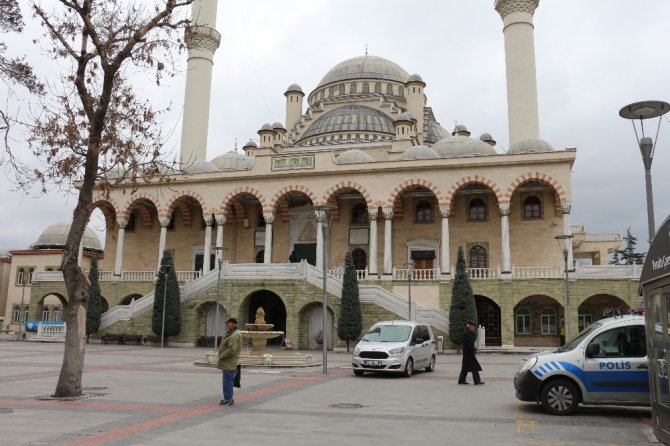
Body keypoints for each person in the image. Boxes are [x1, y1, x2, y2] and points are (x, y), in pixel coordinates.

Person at [217, 317, 242, 405]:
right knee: (227, 381)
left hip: (229, 362)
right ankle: (227, 398)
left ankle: (228, 399)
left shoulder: (235, 334)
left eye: (228, 323)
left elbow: (232, 349)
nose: (226, 325)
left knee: (228, 382)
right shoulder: (232, 333)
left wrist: (221, 356)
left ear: (232, 324)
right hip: (228, 362)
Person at [458, 321, 484, 385]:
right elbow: (466, 344)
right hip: (467, 353)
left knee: (465, 368)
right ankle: (477, 381)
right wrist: (472, 349)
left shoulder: (472, 334)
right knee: (474, 368)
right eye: (473, 326)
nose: (474, 328)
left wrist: (473, 349)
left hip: (471, 353)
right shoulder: (465, 334)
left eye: (474, 327)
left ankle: (461, 380)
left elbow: (471, 344)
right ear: (469, 326)